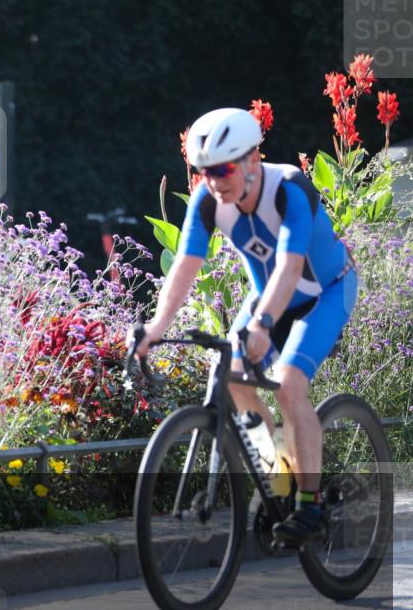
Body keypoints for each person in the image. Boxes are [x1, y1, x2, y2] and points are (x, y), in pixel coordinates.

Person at [133, 107, 358, 545]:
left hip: (326, 291)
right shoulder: (208, 200)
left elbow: (291, 268)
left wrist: (262, 324)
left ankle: (310, 506)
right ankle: (278, 482)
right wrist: (156, 326)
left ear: (254, 159)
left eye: (224, 168)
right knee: (232, 377)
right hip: (269, 298)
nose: (214, 180)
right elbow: (185, 267)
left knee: (290, 384)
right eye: (204, 172)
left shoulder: (289, 188)